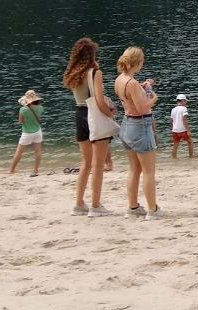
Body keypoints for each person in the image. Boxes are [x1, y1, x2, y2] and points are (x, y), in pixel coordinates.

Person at [63, 37, 118, 217]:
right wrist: (110, 113)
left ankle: (79, 203)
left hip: (79, 115)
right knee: (98, 165)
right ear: (92, 54)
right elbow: (99, 101)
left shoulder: (73, 74)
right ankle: (95, 205)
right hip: (93, 115)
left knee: (86, 163)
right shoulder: (95, 73)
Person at [114, 46, 162, 220]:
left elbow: (131, 99)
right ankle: (152, 209)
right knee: (149, 171)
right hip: (140, 124)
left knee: (134, 169)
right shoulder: (132, 83)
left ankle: (133, 206)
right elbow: (142, 107)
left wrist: (143, 89)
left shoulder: (120, 80)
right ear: (137, 62)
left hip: (127, 123)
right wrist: (153, 98)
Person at [7, 90, 44, 176]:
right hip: (37, 131)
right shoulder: (40, 108)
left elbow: (20, 121)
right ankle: (36, 170)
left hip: (27, 133)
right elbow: (38, 117)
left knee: (19, 152)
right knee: (38, 151)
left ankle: (11, 170)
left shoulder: (23, 109)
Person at [170, 94, 194, 159]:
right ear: (183, 100)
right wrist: (188, 131)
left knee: (175, 145)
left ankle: (174, 159)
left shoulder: (173, 109)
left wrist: (172, 129)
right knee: (190, 142)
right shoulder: (184, 108)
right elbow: (184, 120)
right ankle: (191, 157)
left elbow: (171, 121)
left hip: (175, 130)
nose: (186, 103)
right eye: (185, 101)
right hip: (183, 130)